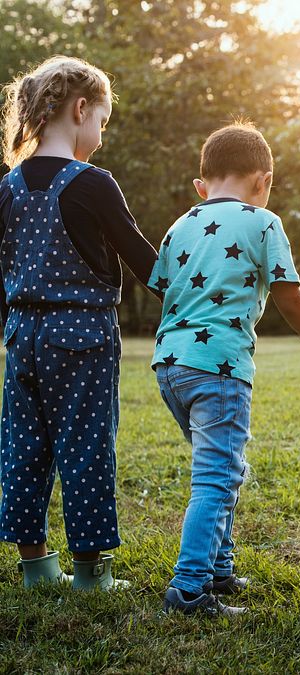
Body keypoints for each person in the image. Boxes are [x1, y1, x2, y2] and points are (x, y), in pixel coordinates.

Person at [153, 122, 300, 616]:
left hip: (171, 365)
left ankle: (219, 568)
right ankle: (189, 587)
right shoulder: (262, 222)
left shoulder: (179, 226)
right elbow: (287, 294)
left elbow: (162, 286)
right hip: (219, 366)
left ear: (201, 187)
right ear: (263, 181)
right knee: (217, 477)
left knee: (219, 466)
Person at [0, 55, 160, 590]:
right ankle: (92, 574)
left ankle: (37, 568)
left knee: (24, 446)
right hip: (83, 336)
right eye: (103, 122)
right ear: (81, 107)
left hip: (23, 336)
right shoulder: (92, 183)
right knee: (86, 446)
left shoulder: (8, 188)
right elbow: (147, 264)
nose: (101, 134)